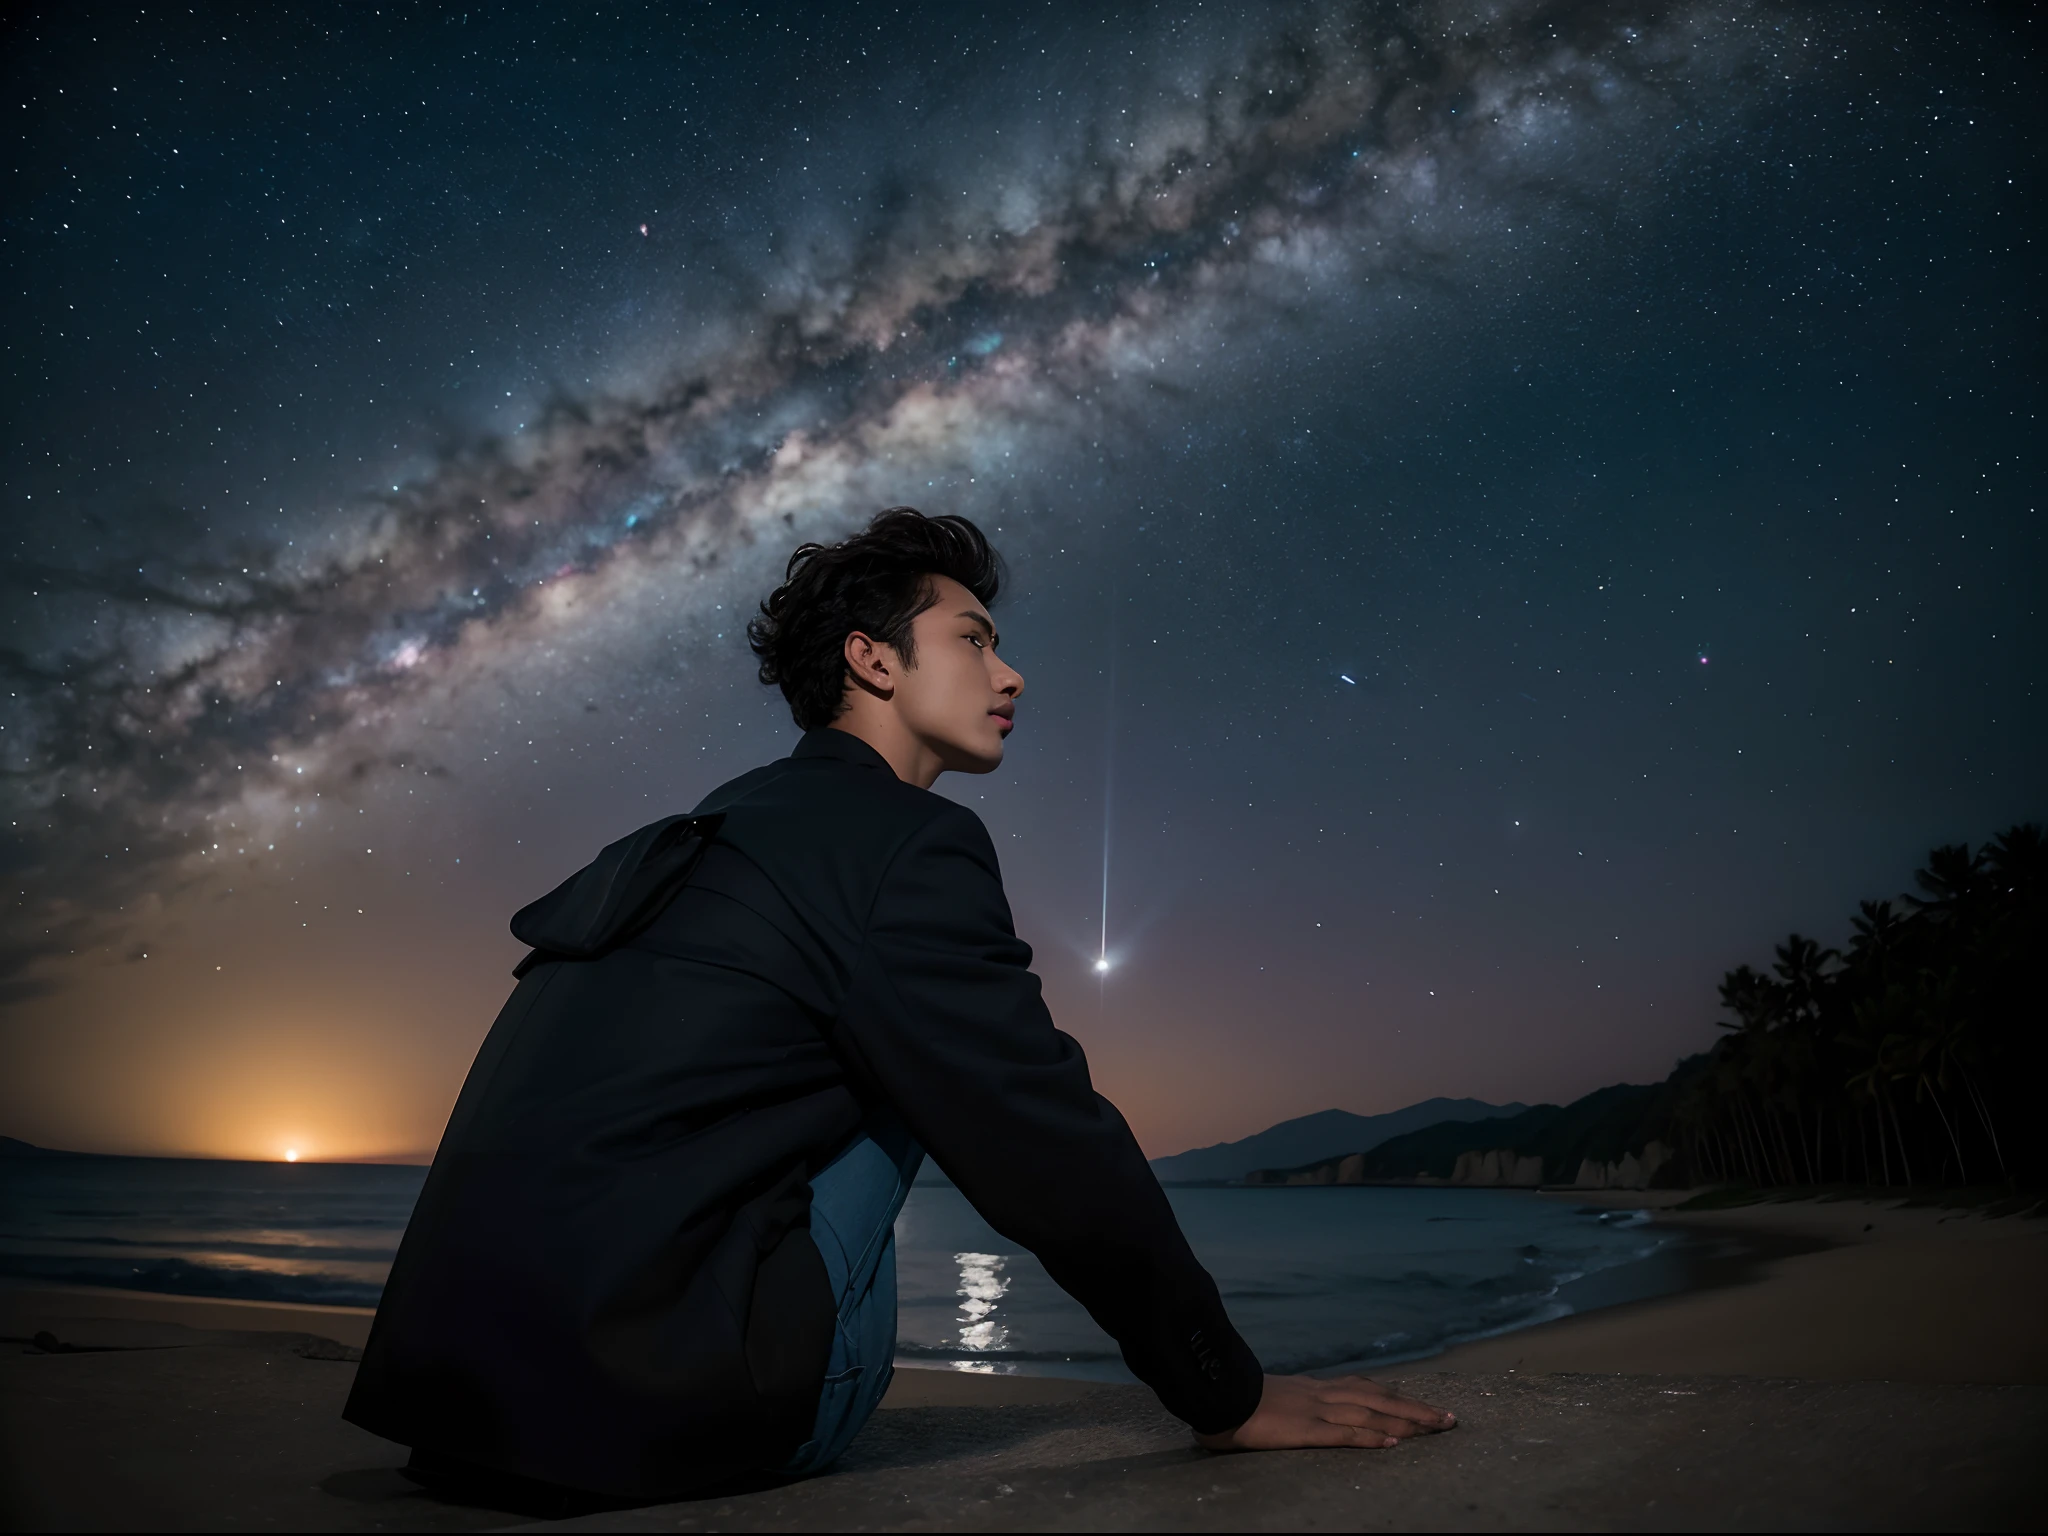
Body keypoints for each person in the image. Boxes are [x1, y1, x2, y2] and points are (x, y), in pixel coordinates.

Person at [342, 507, 1453, 1504]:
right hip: (660, 1415)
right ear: (871, 661)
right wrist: (1225, 1391)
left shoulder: (709, 833)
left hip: (458, 1418)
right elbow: (1045, 1142)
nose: (1010, 675)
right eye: (972, 639)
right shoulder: (906, 845)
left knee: (865, 1032)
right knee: (943, 1061)